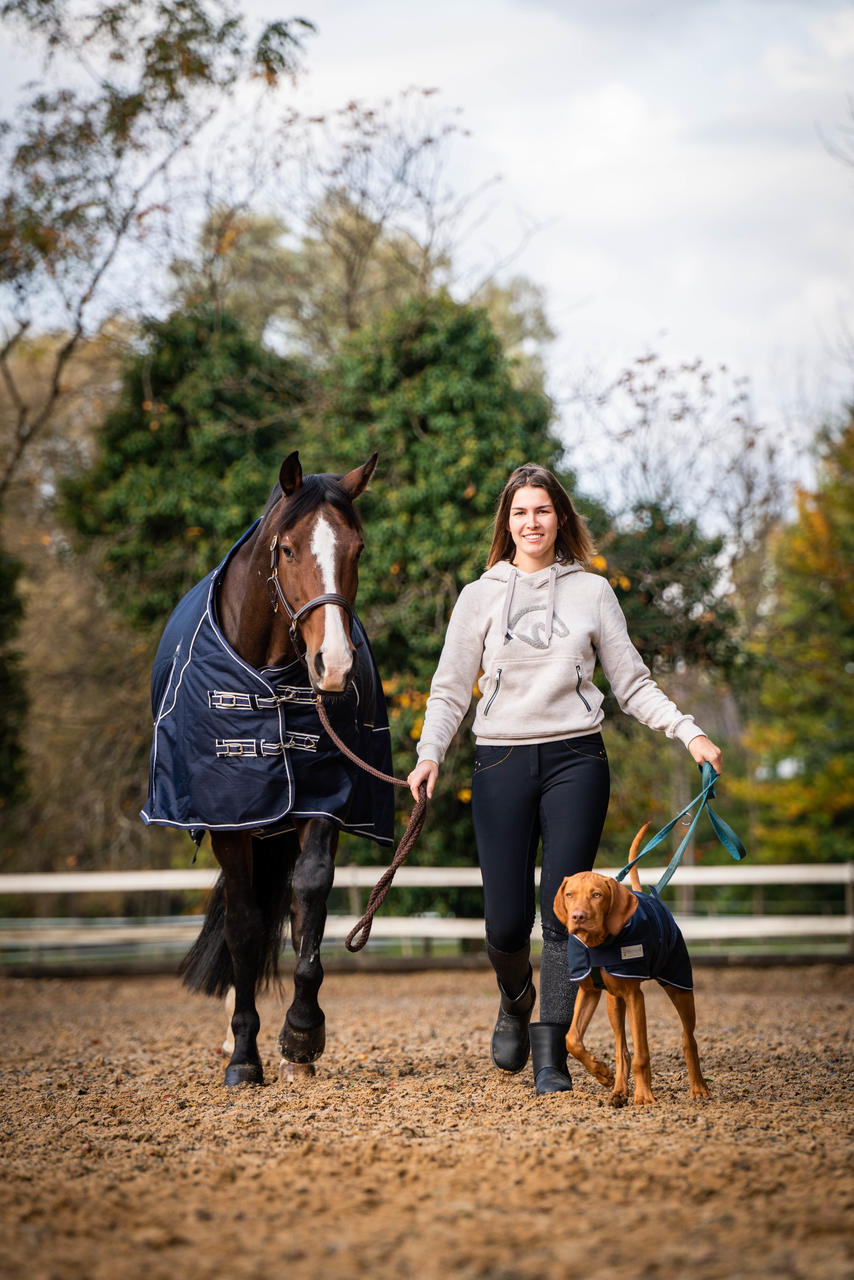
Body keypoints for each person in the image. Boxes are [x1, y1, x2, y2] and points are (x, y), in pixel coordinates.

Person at [407, 463, 723, 1096]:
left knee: (565, 917)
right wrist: (429, 752)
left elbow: (631, 682)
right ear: (507, 522)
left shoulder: (592, 593)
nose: (532, 523)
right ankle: (512, 996)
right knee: (503, 922)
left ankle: (550, 1056)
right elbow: (448, 689)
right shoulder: (479, 596)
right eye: (521, 512)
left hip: (577, 758)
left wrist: (688, 731)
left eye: (543, 511)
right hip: (499, 760)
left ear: (560, 519)